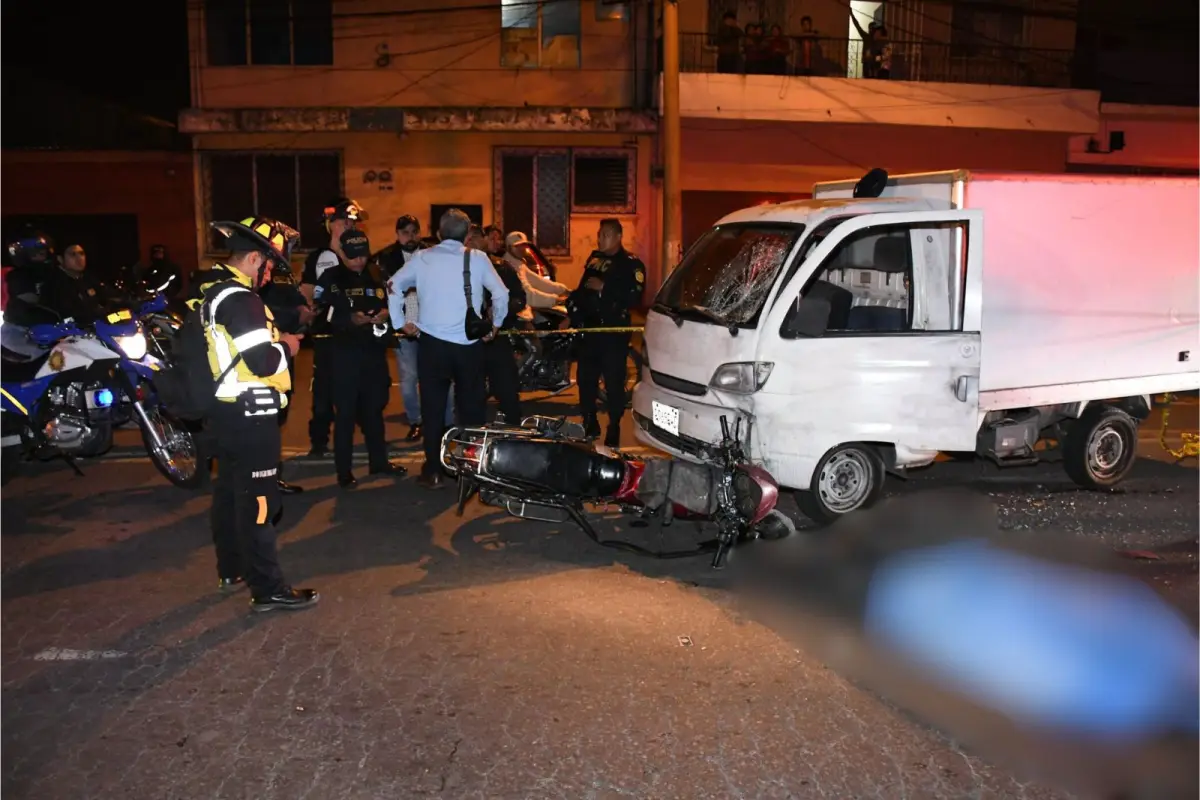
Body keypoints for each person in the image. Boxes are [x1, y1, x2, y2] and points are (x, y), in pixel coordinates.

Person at [199, 216, 317, 612]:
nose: (271, 275)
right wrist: (287, 346)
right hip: (251, 417)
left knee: (230, 494)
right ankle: (268, 589)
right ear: (254, 258)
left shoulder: (217, 293)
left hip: (229, 414)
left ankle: (231, 568)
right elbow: (264, 361)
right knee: (261, 504)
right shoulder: (242, 299)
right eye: (270, 266)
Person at [387, 208, 509, 489]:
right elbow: (501, 294)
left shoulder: (422, 258)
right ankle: (473, 472)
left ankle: (433, 470)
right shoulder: (476, 258)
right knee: (472, 410)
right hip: (468, 347)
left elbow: (393, 285)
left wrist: (401, 322)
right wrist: (495, 325)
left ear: (439, 233)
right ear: (467, 235)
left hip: (432, 347)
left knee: (432, 410)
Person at [317, 228, 407, 488]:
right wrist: (349, 320)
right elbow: (319, 317)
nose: (358, 261)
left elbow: (394, 304)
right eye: (353, 256)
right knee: (345, 414)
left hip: (374, 353)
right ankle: (344, 471)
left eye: (363, 255)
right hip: (344, 356)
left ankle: (379, 461)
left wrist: (385, 317)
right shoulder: (330, 278)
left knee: (375, 410)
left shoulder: (377, 274)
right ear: (342, 253)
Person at [372, 214, 453, 441]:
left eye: (414, 231)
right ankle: (416, 421)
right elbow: (384, 291)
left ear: (421, 231)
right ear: (397, 234)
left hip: (432, 326)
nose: (410, 237)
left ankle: (447, 423)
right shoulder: (386, 258)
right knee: (408, 379)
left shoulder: (432, 254)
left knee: (442, 377)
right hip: (403, 327)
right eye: (405, 232)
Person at [300, 198, 366, 458]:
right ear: (332, 224)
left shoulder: (360, 254)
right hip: (328, 336)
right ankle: (319, 441)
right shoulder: (319, 258)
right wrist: (310, 308)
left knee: (363, 389)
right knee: (324, 394)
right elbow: (306, 291)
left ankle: (364, 437)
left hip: (357, 334)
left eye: (354, 221)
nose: (351, 225)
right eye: (346, 221)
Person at [571, 219, 645, 447]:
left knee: (614, 383)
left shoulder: (630, 264)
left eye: (604, 235)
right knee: (586, 380)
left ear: (617, 236)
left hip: (612, 333)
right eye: (599, 234)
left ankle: (614, 425)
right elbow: (582, 289)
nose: (599, 239)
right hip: (590, 331)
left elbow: (635, 296)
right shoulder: (595, 260)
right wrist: (572, 311)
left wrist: (605, 289)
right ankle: (589, 420)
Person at [259, 252, 316, 495]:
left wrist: (304, 310)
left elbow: (297, 300)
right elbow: (265, 314)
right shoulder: (249, 283)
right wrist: (296, 315)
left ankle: (270, 477)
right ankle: (265, 483)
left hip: (283, 354)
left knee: (277, 418)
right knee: (263, 423)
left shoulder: (279, 274)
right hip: (263, 359)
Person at [468, 225, 524, 424]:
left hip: (496, 338)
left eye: (475, 237)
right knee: (470, 395)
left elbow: (519, 299)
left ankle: (515, 433)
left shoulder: (501, 267)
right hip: (467, 341)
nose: (471, 242)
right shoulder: (454, 269)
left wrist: (500, 308)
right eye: (467, 238)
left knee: (507, 390)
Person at [39, 243, 113, 323]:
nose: (79, 258)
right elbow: (69, 315)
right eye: (73, 255)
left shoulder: (88, 278)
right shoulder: (54, 284)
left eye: (81, 254)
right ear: (60, 259)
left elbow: (106, 297)